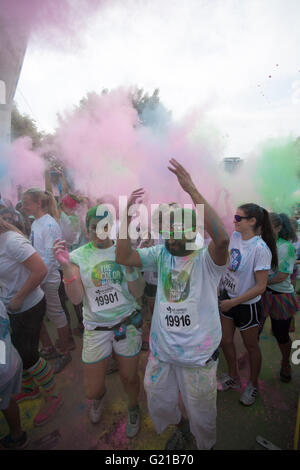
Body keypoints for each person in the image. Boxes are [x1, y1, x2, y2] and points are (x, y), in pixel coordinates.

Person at [116, 159, 229, 451]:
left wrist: (191, 189)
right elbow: (124, 257)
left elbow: (223, 237)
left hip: (197, 356)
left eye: (177, 232)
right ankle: (182, 430)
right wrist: (127, 218)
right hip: (162, 352)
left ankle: (204, 443)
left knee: (202, 413)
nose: (170, 238)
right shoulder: (161, 252)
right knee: (160, 400)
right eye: (167, 230)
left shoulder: (207, 258)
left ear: (193, 232)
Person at [53, 204, 145, 438]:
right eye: (95, 228)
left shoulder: (123, 252)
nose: (100, 232)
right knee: (92, 389)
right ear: (87, 229)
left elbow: (138, 293)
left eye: (105, 227)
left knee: (129, 377)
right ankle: (99, 399)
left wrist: (130, 267)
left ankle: (134, 408)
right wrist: (65, 267)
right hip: (96, 329)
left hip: (127, 324)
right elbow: (75, 297)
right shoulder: (77, 256)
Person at [0, 217, 63, 426]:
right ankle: (29, 388)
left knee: (29, 355)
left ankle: (53, 396)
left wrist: (18, 297)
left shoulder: (11, 241)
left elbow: (41, 270)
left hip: (29, 306)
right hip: (10, 308)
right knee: (17, 351)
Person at [218, 204, 278, 406]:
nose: (234, 220)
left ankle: (252, 384)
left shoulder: (260, 249)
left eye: (238, 217)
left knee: (251, 346)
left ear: (252, 221)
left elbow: (261, 287)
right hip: (228, 299)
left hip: (246, 306)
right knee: (225, 341)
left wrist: (233, 302)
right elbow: (229, 266)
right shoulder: (234, 237)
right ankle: (233, 376)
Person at [21, 188, 72, 373]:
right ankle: (49, 347)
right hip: (38, 278)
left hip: (48, 279)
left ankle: (65, 352)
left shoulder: (49, 225)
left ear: (38, 203)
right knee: (38, 314)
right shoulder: (36, 223)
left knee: (56, 313)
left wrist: (40, 279)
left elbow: (54, 256)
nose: (24, 206)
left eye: (26, 203)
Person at [261, 213, 299, 382]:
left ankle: (285, 362)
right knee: (253, 331)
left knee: (281, 334)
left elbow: (282, 275)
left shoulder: (285, 247)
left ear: (278, 228)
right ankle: (249, 356)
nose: (263, 229)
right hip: (261, 294)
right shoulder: (262, 243)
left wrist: (259, 281)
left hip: (280, 296)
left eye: (268, 226)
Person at [0, 300, 29, 449]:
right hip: (10, 358)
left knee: (6, 403)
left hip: (3, 369)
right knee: (7, 401)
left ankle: (17, 435)